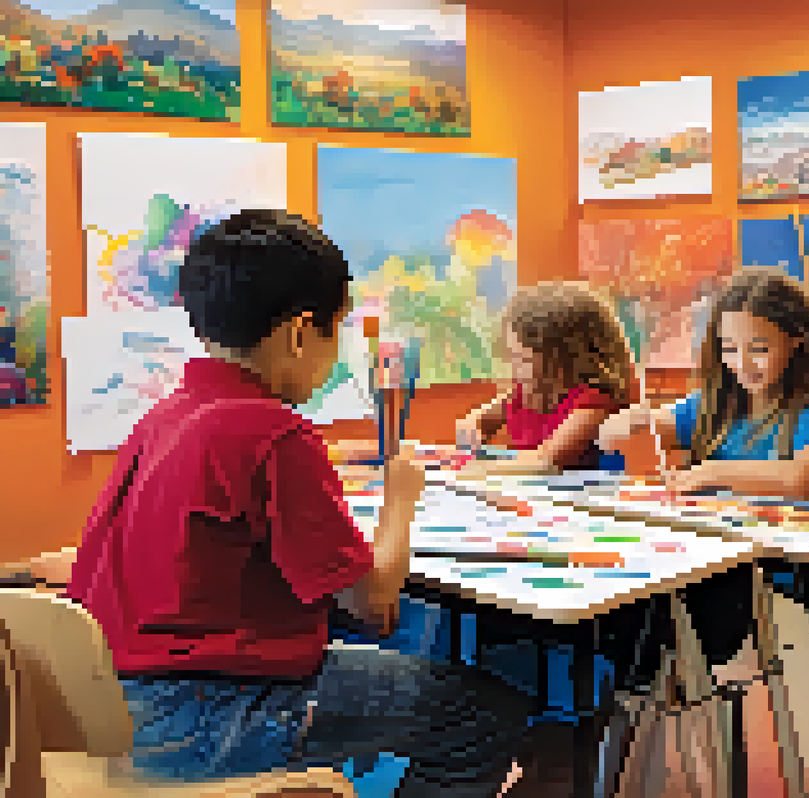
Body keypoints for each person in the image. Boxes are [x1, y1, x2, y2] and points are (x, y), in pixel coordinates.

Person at [64, 209, 532, 798]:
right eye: (336, 330)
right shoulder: (274, 434)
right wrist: (400, 501)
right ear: (298, 332)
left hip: (115, 703)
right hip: (208, 712)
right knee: (479, 716)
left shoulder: (167, 418)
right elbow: (374, 604)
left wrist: (320, 462)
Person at [598, 266, 809, 501]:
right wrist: (629, 422)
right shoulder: (711, 405)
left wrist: (712, 472)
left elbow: (800, 479)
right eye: (729, 348)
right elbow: (651, 424)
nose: (742, 364)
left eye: (759, 349)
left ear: (795, 342)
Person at [456, 281, 635, 472]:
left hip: (578, 499)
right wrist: (471, 429)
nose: (512, 366)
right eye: (511, 355)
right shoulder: (525, 393)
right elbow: (478, 421)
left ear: (566, 360)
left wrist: (479, 469)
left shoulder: (592, 403)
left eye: (523, 359)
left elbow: (545, 460)